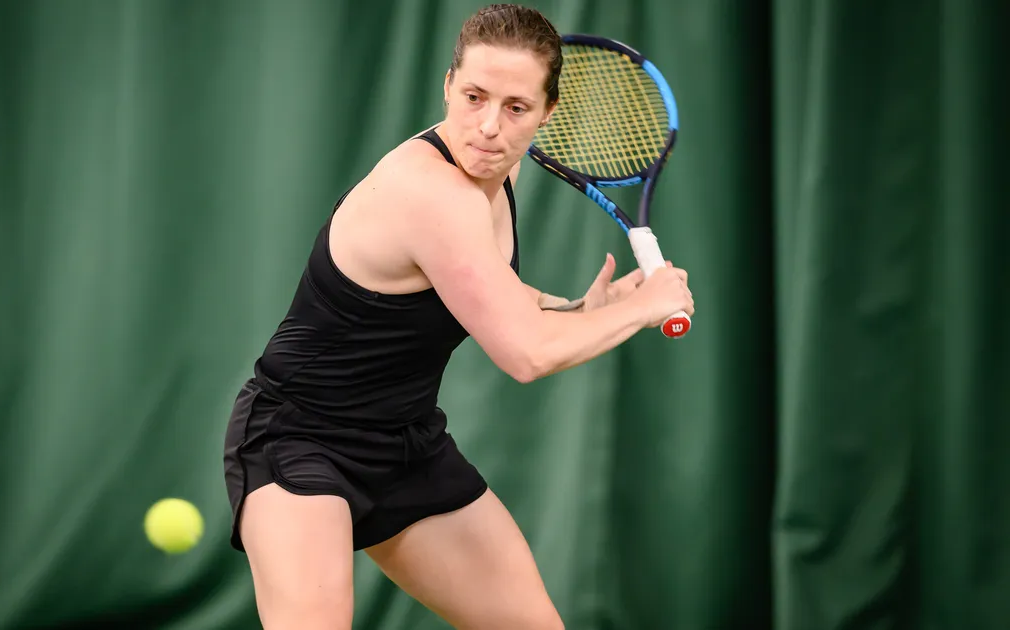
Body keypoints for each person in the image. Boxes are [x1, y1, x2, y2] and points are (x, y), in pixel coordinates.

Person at [222, 4, 695, 629]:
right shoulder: (431, 192)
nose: (489, 127)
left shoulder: (497, 171)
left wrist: (580, 309)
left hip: (406, 444)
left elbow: (485, 290)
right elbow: (526, 355)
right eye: (473, 96)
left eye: (516, 108)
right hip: (297, 441)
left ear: (547, 114)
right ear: (448, 85)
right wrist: (642, 308)